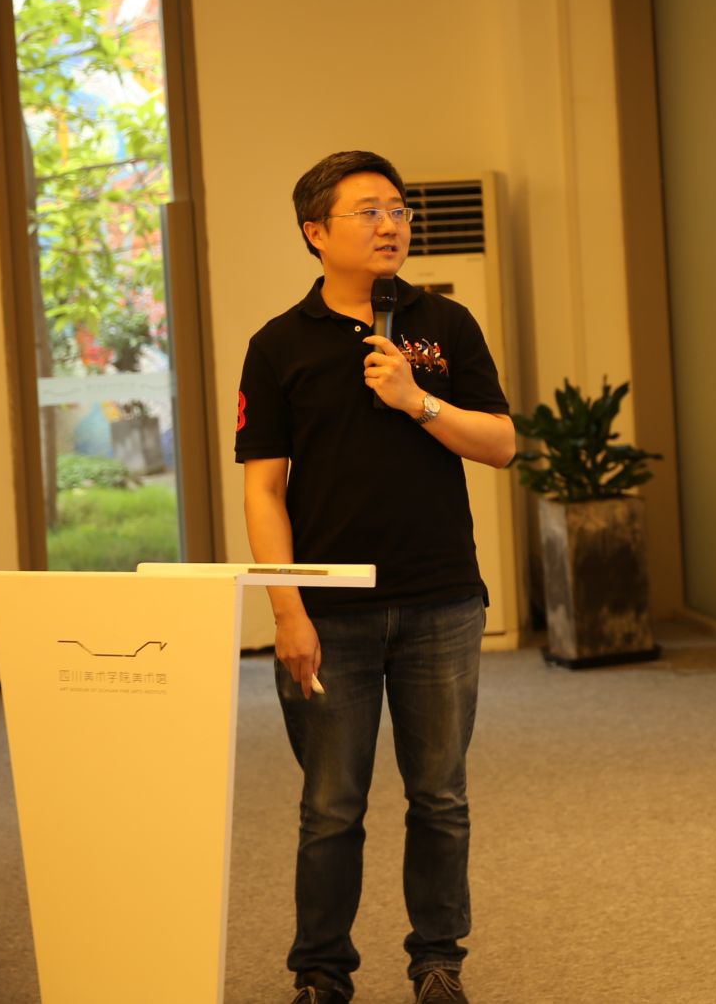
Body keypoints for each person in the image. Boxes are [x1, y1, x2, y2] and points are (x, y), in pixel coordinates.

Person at [235, 151, 515, 1004]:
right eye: (369, 211)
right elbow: (263, 489)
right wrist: (287, 609)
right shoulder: (277, 346)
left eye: (398, 208)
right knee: (331, 805)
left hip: (441, 600)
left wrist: (416, 398)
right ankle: (321, 972)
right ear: (316, 232)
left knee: (440, 796)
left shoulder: (444, 326)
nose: (391, 223)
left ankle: (438, 961)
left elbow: (501, 443)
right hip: (330, 610)